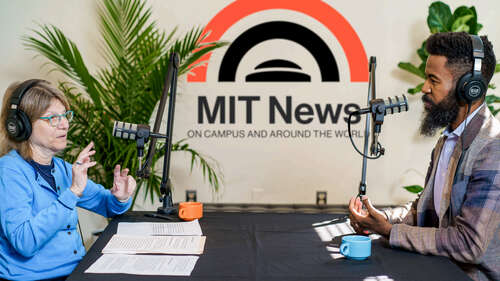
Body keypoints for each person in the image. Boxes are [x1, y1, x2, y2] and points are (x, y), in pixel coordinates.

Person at [348, 32, 500, 281]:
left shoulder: (493, 149)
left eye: (433, 79)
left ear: (469, 88)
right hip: (437, 267)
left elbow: (470, 244)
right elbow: (424, 211)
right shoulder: (447, 141)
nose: (424, 88)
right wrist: (380, 218)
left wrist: (389, 231)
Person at [0, 79, 137, 280]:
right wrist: (72, 193)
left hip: (75, 273)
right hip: (33, 278)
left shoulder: (62, 168)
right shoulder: (9, 171)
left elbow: (108, 206)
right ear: (22, 125)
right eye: (53, 118)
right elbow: (25, 242)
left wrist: (121, 197)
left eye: (65, 116)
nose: (64, 124)